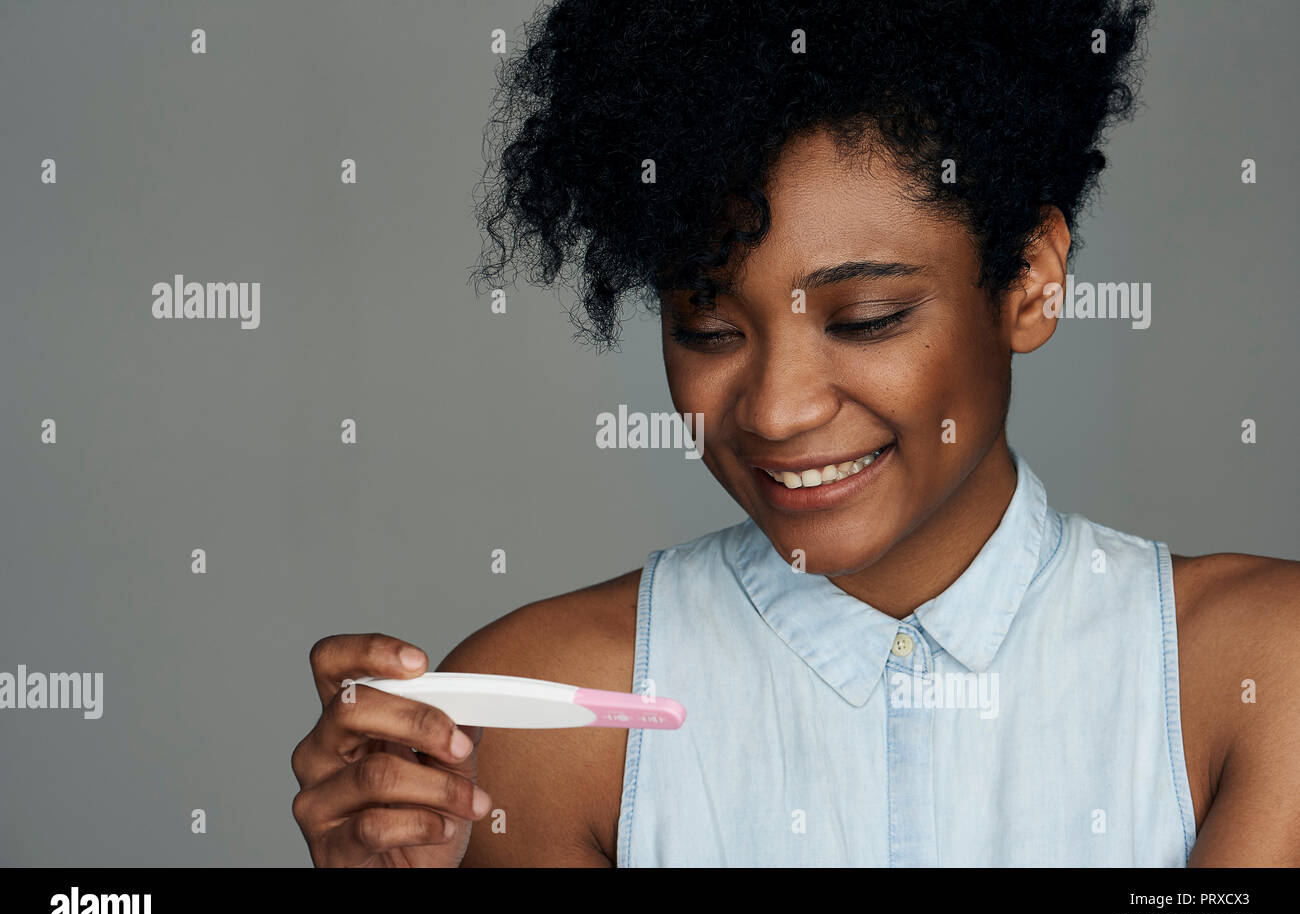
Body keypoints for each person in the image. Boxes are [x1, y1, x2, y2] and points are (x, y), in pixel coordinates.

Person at [290, 0, 1300, 866]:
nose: (776, 410)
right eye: (708, 329)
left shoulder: (1257, 674)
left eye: (865, 320)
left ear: (1030, 279)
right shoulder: (547, 717)